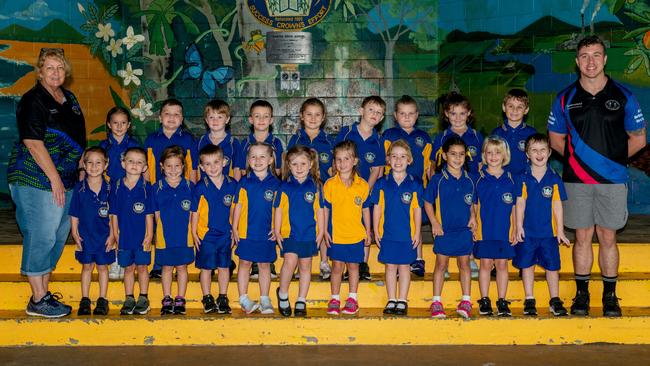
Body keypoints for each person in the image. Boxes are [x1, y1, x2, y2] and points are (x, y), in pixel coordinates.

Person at [547, 35, 646, 317]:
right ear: (577, 62)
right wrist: (582, 165)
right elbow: (556, 139)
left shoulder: (624, 96)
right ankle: (581, 295)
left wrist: (608, 164)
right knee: (581, 236)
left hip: (612, 182)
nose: (590, 61)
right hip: (576, 181)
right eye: (585, 56)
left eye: (596, 55)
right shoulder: (564, 98)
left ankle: (610, 296)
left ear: (604, 59)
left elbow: (638, 139)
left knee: (607, 237)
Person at [8, 47, 86, 318]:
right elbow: (32, 141)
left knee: (57, 233)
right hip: (35, 177)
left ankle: (43, 292)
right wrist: (54, 178)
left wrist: (81, 169)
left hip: (66, 178)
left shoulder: (70, 98)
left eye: (60, 68)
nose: (56, 72)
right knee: (41, 233)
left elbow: (79, 139)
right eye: (50, 67)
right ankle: (38, 298)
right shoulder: (33, 100)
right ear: (39, 71)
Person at [514, 133, 570, 317]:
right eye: (534, 150)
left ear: (550, 152)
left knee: (552, 267)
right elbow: (520, 203)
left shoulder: (554, 178)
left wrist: (560, 230)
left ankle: (555, 299)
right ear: (527, 154)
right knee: (527, 265)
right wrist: (518, 226)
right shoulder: (522, 177)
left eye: (543, 150)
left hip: (548, 233)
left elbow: (557, 205)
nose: (539, 154)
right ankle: (529, 298)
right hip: (528, 233)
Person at [144, 98, 197, 279]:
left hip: (181, 191)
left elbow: (192, 168)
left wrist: (192, 190)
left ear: (182, 119)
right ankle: (159, 264)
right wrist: (148, 188)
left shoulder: (188, 139)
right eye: (167, 114)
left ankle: (180, 259)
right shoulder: (152, 139)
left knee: (180, 226)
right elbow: (147, 167)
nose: (171, 118)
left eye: (176, 115)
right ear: (160, 117)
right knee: (160, 227)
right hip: (159, 193)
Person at [336, 95, 386, 281]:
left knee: (365, 226)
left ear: (382, 118)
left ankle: (361, 264)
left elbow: (377, 170)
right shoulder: (346, 132)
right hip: (344, 190)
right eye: (371, 110)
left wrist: (365, 190)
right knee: (346, 224)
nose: (374, 114)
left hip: (365, 192)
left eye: (379, 113)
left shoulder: (378, 140)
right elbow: (337, 160)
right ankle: (341, 263)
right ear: (361, 111)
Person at [424, 137, 476, 319]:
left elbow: (471, 202)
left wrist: (473, 217)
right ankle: (436, 302)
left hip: (463, 231)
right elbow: (428, 203)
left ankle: (466, 301)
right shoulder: (438, 180)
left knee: (465, 264)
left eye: (461, 154)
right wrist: (435, 223)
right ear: (445, 156)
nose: (457, 158)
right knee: (441, 264)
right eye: (453, 154)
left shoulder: (470, 180)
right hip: (444, 231)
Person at [382, 95, 432, 278]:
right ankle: (396, 259)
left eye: (411, 114)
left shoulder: (424, 137)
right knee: (397, 223)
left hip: (416, 188)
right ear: (395, 115)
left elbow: (428, 167)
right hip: (394, 187)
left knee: (415, 222)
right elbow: (384, 162)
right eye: (402, 113)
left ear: (417, 115)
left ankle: (417, 259)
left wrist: (430, 188)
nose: (407, 117)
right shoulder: (389, 135)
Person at [371, 140, 423, 316]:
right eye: (394, 156)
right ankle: (391, 298)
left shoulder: (414, 183)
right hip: (388, 233)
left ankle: (402, 300)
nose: (398, 160)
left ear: (409, 160)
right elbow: (377, 207)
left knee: (404, 267)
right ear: (388, 160)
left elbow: (417, 209)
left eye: (402, 157)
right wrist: (375, 230)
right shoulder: (381, 183)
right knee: (390, 267)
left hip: (407, 234)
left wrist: (417, 232)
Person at [274, 146, 325, 317]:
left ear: (310, 164)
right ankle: (282, 294)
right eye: (294, 164)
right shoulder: (285, 186)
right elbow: (279, 209)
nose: (299, 167)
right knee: (289, 262)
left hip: (309, 233)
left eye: (303, 163)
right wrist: (277, 230)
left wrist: (321, 231)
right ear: (288, 165)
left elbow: (320, 210)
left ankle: (301, 300)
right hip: (290, 233)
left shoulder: (316, 186)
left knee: (305, 266)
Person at [287, 98, 334, 280]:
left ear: (323, 118)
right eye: (309, 114)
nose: (313, 118)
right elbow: (289, 165)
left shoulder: (329, 142)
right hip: (300, 192)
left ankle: (324, 261)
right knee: (302, 226)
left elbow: (332, 168)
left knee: (323, 226)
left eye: (317, 115)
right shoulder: (296, 139)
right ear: (301, 117)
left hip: (321, 193)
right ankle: (300, 265)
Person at [323, 141, 372, 316]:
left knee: (353, 268)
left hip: (355, 234)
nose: (342, 163)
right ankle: (334, 298)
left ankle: (352, 298)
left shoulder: (363, 185)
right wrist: (324, 230)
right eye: (338, 159)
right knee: (337, 267)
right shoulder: (329, 184)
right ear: (334, 162)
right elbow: (325, 209)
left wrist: (368, 230)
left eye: (346, 159)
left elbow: (365, 209)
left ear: (355, 161)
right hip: (337, 235)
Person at [236, 100, 284, 279]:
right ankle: (254, 264)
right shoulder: (244, 143)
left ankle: (266, 262)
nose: (261, 120)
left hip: (269, 187)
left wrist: (273, 184)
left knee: (268, 222)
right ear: (250, 119)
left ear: (271, 120)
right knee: (251, 221)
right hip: (250, 187)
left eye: (265, 116)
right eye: (257, 116)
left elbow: (278, 169)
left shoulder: (276, 142)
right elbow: (240, 168)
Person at [232, 142, 281, 314]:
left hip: (266, 233)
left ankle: (265, 298)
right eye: (253, 156)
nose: (257, 160)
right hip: (246, 232)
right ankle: (243, 298)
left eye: (262, 156)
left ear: (270, 160)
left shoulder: (275, 184)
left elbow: (278, 209)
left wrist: (277, 229)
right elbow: (237, 205)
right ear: (248, 160)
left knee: (264, 265)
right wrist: (235, 228)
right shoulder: (244, 182)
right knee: (244, 263)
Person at [473, 136, 517, 317]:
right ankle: (485, 299)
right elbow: (473, 205)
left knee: (501, 265)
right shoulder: (478, 179)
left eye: (497, 152)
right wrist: (473, 223)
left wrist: (516, 228)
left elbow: (515, 206)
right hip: (485, 230)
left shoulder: (511, 179)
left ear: (505, 155)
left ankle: (501, 300)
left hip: (504, 230)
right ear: (484, 155)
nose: (493, 156)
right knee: (485, 263)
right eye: (489, 152)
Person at [191, 144, 238, 314]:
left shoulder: (232, 184)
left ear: (224, 162)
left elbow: (235, 209)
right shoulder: (200, 186)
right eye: (207, 164)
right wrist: (194, 232)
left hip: (225, 233)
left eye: (216, 162)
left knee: (224, 266)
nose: (212, 167)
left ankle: (223, 296)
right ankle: (207, 297)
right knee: (207, 267)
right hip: (207, 234)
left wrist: (235, 228)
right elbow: (194, 211)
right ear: (202, 167)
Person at [69, 147, 114, 316]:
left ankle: (102, 300)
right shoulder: (79, 189)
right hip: (85, 235)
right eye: (90, 163)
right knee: (87, 267)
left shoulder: (110, 188)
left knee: (103, 267)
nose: (94, 167)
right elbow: (74, 212)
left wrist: (112, 235)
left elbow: (114, 215)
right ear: (84, 165)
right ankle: (85, 299)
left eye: (98, 163)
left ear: (105, 165)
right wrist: (74, 232)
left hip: (104, 236)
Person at [109, 147, 154, 315]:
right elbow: (113, 213)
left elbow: (149, 214)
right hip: (124, 237)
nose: (134, 165)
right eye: (130, 161)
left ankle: (143, 298)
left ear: (144, 167)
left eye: (139, 162)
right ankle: (129, 298)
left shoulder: (147, 188)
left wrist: (149, 235)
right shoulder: (116, 186)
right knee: (128, 268)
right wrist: (115, 234)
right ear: (123, 163)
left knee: (142, 267)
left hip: (142, 236)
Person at [152, 146, 195, 315]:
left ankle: (180, 298)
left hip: (185, 237)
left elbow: (193, 214)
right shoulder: (156, 187)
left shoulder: (191, 187)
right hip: (165, 237)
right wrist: (157, 234)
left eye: (177, 166)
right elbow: (155, 215)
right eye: (168, 166)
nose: (173, 170)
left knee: (182, 267)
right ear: (161, 165)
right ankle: (167, 297)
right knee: (167, 268)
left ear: (183, 166)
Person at [99, 106, 140, 281]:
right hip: (110, 192)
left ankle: (126, 262)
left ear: (129, 125)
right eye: (115, 123)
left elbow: (141, 167)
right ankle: (115, 260)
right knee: (111, 226)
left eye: (123, 123)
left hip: (129, 193)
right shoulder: (104, 146)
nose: (119, 126)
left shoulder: (134, 145)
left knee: (127, 227)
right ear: (109, 124)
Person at [430, 92, 483, 175]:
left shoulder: (477, 136)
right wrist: (434, 185)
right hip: (448, 186)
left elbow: (482, 164)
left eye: (462, 113)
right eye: (453, 113)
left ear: (468, 112)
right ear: (446, 113)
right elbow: (433, 165)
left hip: (472, 186)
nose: (458, 118)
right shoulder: (441, 138)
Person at [491, 89, 537, 176]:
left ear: (526, 110)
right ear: (504, 107)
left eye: (519, 107)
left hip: (525, 180)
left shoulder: (532, 133)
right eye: (510, 106)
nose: (515, 110)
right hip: (502, 180)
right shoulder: (496, 133)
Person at [196, 99, 242, 181]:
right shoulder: (199, 142)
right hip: (204, 190)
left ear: (227, 119)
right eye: (211, 117)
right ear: (206, 120)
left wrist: (236, 191)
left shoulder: (233, 143)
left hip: (226, 190)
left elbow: (237, 170)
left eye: (220, 117)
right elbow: (195, 169)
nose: (215, 120)